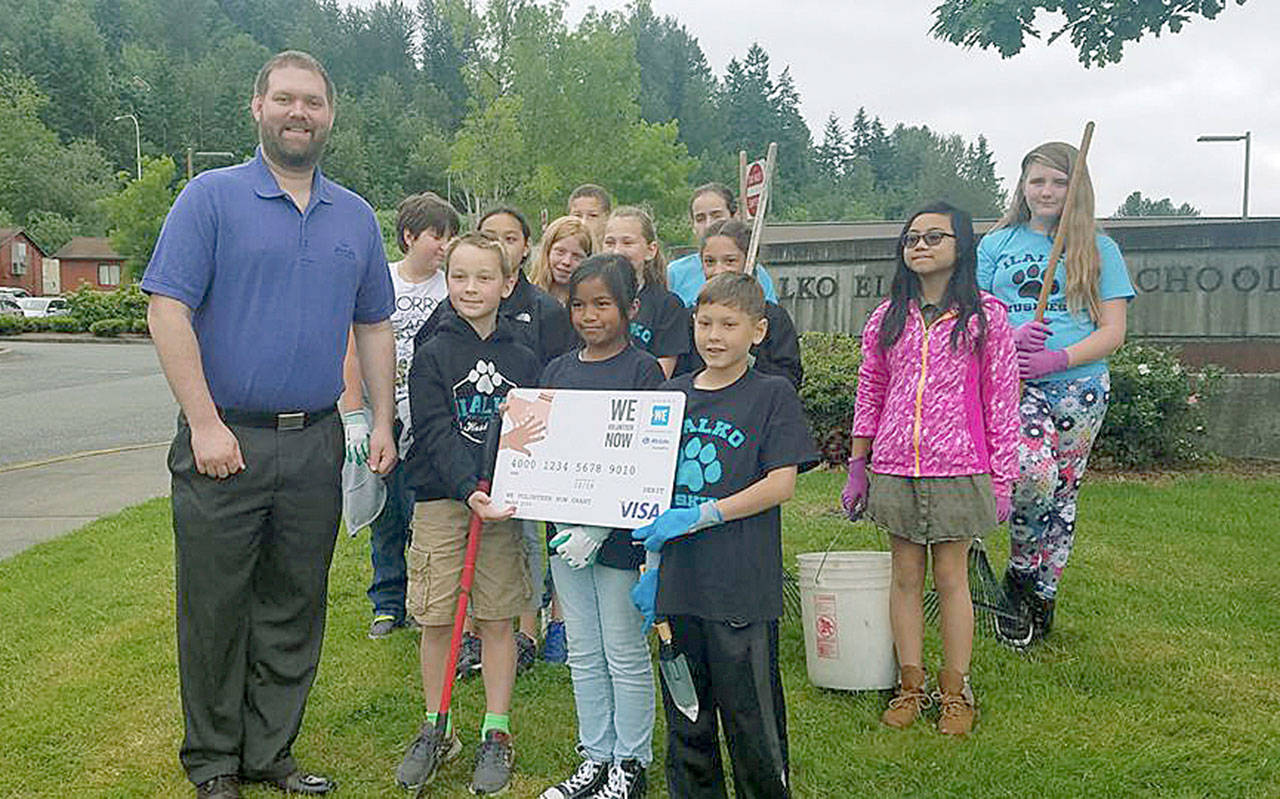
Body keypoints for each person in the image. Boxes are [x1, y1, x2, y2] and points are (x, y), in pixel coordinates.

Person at [142, 50, 396, 799]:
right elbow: (167, 309)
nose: (299, 113)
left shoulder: (354, 215)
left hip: (316, 440)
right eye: (284, 98)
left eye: (312, 102)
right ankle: (215, 760)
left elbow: (375, 323)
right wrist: (205, 422)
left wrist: (379, 419)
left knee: (294, 603)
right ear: (258, 108)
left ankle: (269, 751)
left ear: (329, 115)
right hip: (225, 441)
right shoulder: (210, 198)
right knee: (216, 606)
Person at [631, 272, 818, 799]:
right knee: (687, 716)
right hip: (679, 587)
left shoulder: (771, 395)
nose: (714, 336)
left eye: (729, 325)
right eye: (705, 322)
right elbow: (646, 485)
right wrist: (649, 563)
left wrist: (706, 515)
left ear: (757, 331)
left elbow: (781, 484)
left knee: (750, 717)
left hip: (740, 586)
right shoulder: (668, 396)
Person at [842, 202, 1019, 736]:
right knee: (904, 577)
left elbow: (1001, 400)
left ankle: (955, 690)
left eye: (934, 237)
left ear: (960, 247)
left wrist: (1003, 475)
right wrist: (858, 462)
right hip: (895, 466)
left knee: (950, 577)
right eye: (912, 237)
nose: (920, 245)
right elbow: (871, 389)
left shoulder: (985, 318)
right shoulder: (886, 317)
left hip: (961, 467)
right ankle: (910, 685)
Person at [396, 231, 539, 795]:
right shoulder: (433, 353)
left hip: (499, 507)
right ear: (446, 279)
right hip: (442, 499)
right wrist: (466, 486)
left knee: (498, 617)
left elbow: (532, 431)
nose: (471, 288)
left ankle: (496, 730)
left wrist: (501, 484)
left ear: (507, 284)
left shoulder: (524, 357)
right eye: (460, 277)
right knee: (436, 618)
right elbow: (432, 430)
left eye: (485, 278)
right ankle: (438, 725)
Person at [977, 141, 1135, 646]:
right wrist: (1008, 340)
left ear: (1076, 188)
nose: (1046, 191)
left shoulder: (1099, 250)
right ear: (1022, 187)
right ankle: (1020, 572)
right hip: (1015, 381)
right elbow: (975, 312)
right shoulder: (996, 244)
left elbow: (1113, 331)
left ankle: (1041, 595)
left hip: (1079, 385)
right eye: (1037, 180)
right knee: (1033, 472)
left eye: (1058, 182)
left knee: (1064, 491)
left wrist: (1059, 358)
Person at [537, 254, 665, 799]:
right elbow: (544, 456)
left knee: (624, 650)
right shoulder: (557, 372)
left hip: (619, 542)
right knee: (583, 651)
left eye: (603, 305)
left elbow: (646, 468)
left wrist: (603, 529)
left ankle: (630, 762)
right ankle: (595, 755)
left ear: (631, 308)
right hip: (566, 537)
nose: (589, 316)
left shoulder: (643, 373)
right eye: (579, 305)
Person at [339, 191, 459, 640]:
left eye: (451, 237)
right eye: (436, 236)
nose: (445, 246)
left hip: (430, 421)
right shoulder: (380, 280)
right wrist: (356, 415)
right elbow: (352, 346)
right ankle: (387, 603)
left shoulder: (452, 286)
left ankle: (429, 601)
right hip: (382, 418)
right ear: (409, 236)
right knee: (386, 518)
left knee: (424, 517)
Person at [676, 219, 802, 389]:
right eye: (709, 262)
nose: (718, 270)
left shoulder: (774, 317)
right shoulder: (688, 317)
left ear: (750, 260)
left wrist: (742, 360)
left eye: (729, 261)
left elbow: (789, 377)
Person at [602, 205, 689, 378]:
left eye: (627, 242)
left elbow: (660, 376)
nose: (617, 251)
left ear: (651, 250)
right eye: (610, 242)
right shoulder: (586, 301)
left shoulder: (668, 306)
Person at [665, 183, 777, 307]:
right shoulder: (675, 273)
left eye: (716, 216)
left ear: (734, 216)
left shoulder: (756, 273)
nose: (708, 224)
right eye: (700, 218)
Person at [528, 215, 593, 305]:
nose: (566, 262)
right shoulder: (524, 294)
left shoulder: (587, 303)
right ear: (547, 251)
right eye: (560, 252)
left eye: (576, 257)